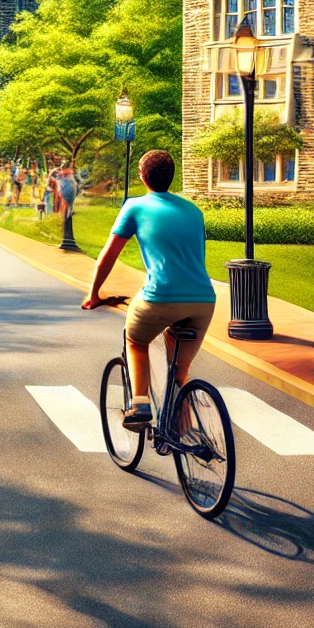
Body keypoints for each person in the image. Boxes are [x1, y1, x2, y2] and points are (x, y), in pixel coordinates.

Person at [83, 149, 216, 432]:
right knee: (179, 372)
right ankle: (183, 435)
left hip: (160, 296)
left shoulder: (135, 206)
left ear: (142, 177)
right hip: (203, 300)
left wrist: (94, 294)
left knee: (135, 340)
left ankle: (140, 404)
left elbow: (109, 255)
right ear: (171, 177)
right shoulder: (194, 211)